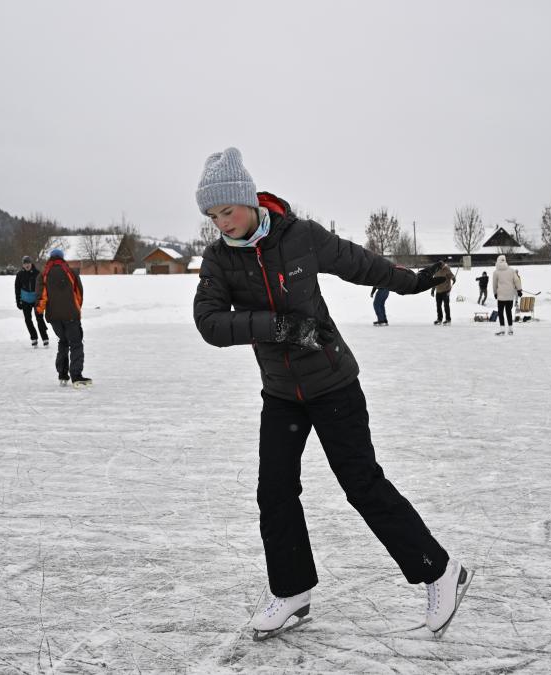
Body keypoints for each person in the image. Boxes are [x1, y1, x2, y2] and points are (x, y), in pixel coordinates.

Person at [191, 147, 470, 640]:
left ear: (248, 200)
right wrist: (278, 327)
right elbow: (209, 322)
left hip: (333, 382)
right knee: (275, 491)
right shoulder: (219, 259)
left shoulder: (300, 236)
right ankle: (292, 591)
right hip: (281, 393)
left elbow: (360, 264)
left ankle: (439, 570)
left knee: (362, 484)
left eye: (226, 210)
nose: (221, 223)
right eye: (212, 216)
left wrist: (413, 282)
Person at [37, 248, 90, 386]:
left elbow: (41, 296)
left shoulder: (44, 274)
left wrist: (40, 312)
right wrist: (77, 309)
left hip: (54, 317)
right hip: (70, 314)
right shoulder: (70, 272)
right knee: (76, 343)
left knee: (63, 341)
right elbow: (79, 293)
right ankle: (76, 376)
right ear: (62, 258)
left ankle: (62, 374)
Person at [15, 255, 50, 346]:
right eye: (25, 264)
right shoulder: (19, 274)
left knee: (39, 319)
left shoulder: (37, 273)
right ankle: (34, 337)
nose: (27, 265)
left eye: (28, 263)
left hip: (36, 300)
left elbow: (43, 287)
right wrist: (18, 301)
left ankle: (45, 338)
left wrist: (43, 299)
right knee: (28, 320)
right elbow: (17, 289)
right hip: (25, 300)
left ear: (31, 263)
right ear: (23, 265)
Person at [492, 254, 522, 335]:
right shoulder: (511, 270)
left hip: (501, 296)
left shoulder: (496, 272)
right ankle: (510, 330)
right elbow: (517, 280)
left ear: (498, 261)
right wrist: (519, 290)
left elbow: (494, 284)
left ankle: (502, 330)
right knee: (509, 312)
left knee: (501, 313)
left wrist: (495, 293)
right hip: (510, 296)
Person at [430, 260, 455, 325]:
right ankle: (439, 319)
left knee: (446, 305)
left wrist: (453, 278)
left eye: (440, 265)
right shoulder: (436, 270)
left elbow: (451, 275)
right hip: (438, 291)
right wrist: (433, 290)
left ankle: (448, 319)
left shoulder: (446, 269)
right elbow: (435, 281)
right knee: (438, 306)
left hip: (446, 290)